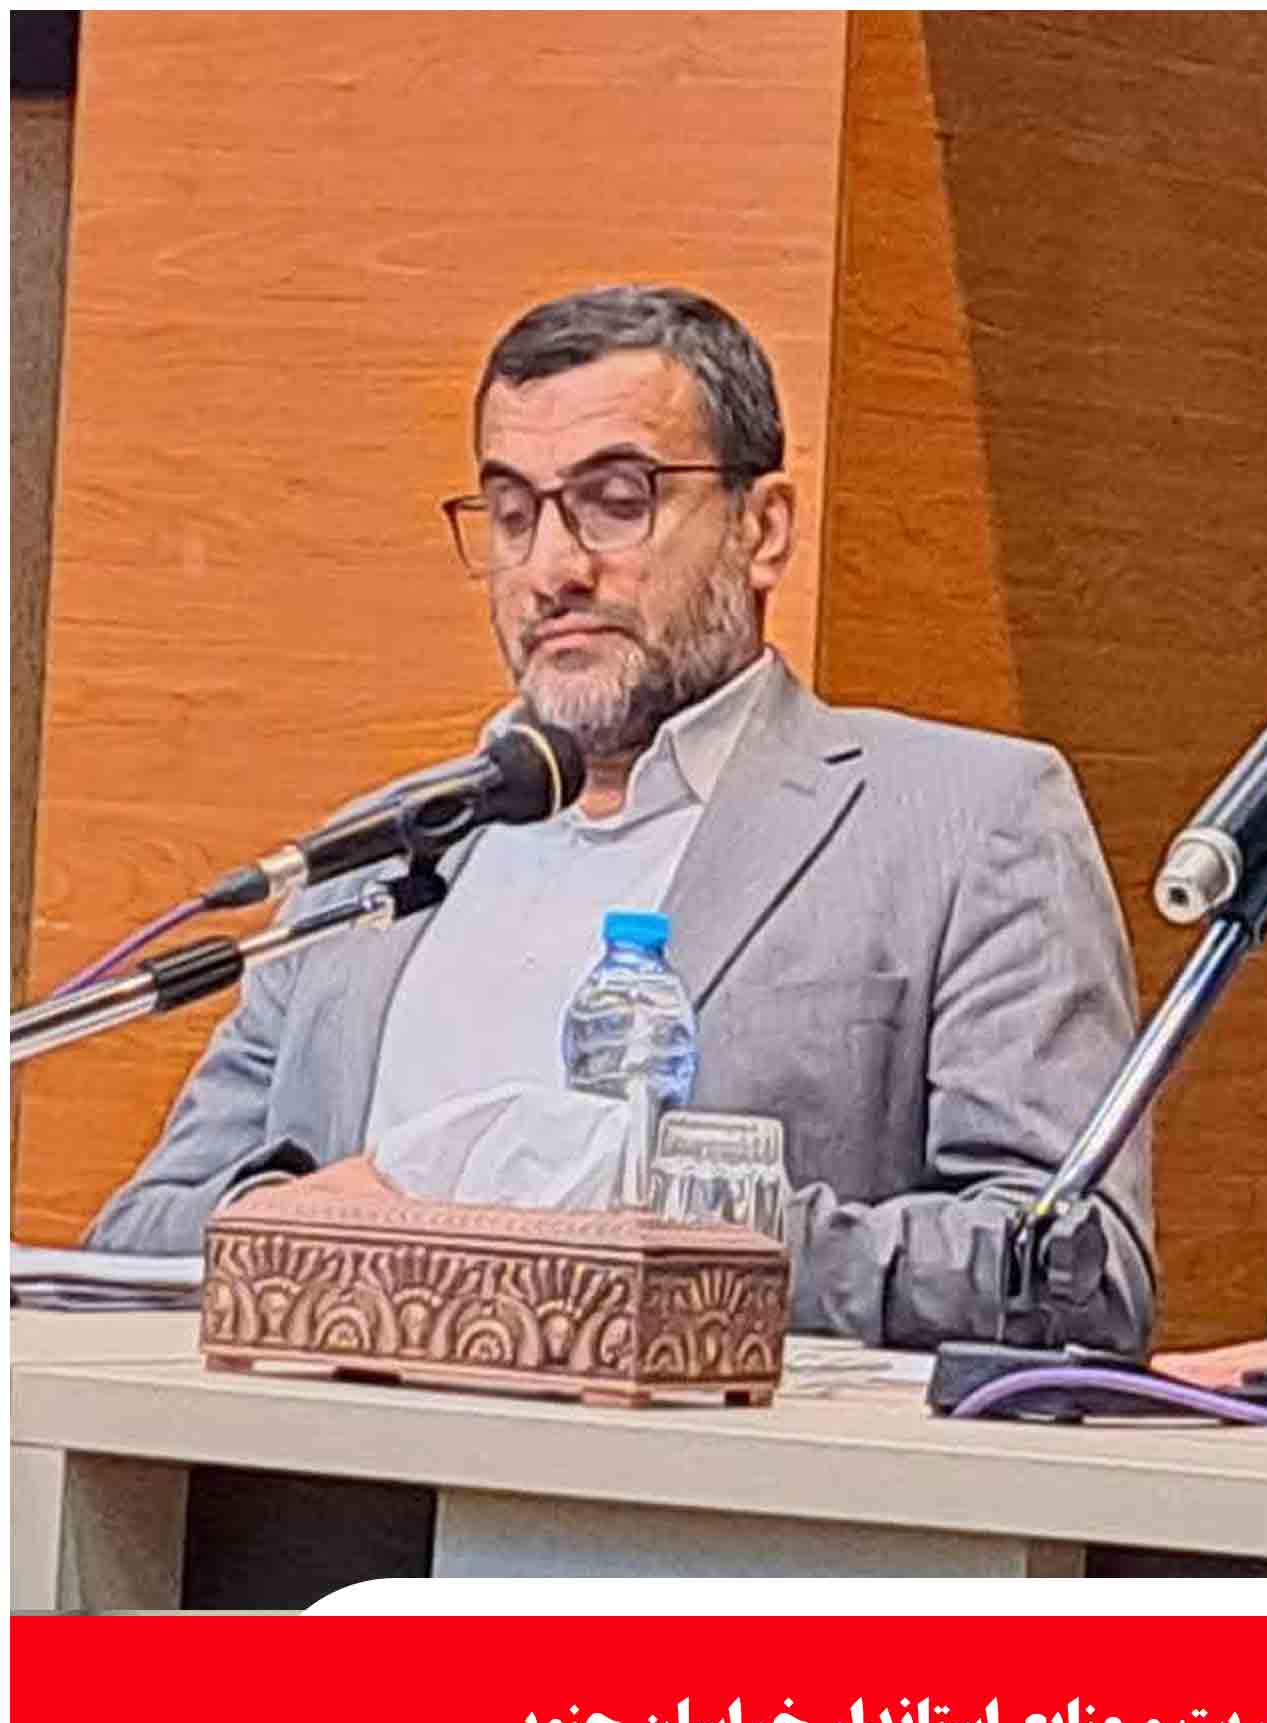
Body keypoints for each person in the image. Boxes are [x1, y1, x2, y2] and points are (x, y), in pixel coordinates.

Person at [88, 283, 1154, 1350]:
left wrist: (640, 1222)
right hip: (331, 1454)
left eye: (616, 501)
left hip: (699, 1453)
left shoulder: (963, 823)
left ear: (762, 529)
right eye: (514, 515)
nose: (553, 569)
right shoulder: (377, 859)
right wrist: (313, 1226)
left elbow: (1077, 1272)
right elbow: (134, 1246)